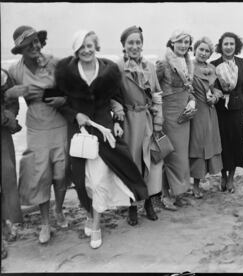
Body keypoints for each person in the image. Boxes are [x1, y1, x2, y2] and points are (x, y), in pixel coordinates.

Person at [55, 30, 149, 249]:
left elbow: (117, 98)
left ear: (95, 46)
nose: (86, 50)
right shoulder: (65, 72)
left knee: (98, 181)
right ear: (76, 51)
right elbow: (58, 101)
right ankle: (89, 213)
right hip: (79, 133)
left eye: (90, 46)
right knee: (81, 182)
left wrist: (117, 122)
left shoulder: (109, 70)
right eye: (81, 47)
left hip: (104, 130)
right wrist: (74, 114)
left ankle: (96, 225)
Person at [5, 25, 69, 244]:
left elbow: (74, 88)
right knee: (40, 175)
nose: (35, 46)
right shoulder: (14, 70)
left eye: (36, 41)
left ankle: (59, 208)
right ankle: (45, 223)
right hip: (35, 125)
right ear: (20, 50)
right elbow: (7, 100)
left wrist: (64, 100)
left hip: (58, 121)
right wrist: (10, 99)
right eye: (28, 44)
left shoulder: (55, 62)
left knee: (60, 173)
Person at [114, 26, 163, 224]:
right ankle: (132, 206)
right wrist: (118, 113)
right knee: (133, 162)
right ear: (124, 46)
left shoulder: (150, 67)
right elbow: (112, 96)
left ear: (142, 45)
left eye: (138, 42)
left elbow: (158, 95)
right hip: (129, 120)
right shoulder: (117, 67)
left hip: (148, 119)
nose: (134, 46)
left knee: (150, 160)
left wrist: (158, 119)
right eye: (130, 43)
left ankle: (149, 202)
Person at [156, 30, 197, 209]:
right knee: (168, 154)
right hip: (168, 114)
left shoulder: (189, 62)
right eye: (179, 41)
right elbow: (154, 90)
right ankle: (165, 195)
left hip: (184, 114)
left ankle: (178, 193)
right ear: (172, 43)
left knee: (181, 156)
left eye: (186, 42)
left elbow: (190, 89)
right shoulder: (163, 63)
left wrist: (192, 101)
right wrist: (157, 114)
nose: (183, 45)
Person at [211, 32, 243, 193]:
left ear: (236, 46)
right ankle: (222, 175)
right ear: (221, 46)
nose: (228, 47)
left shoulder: (242, 63)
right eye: (225, 44)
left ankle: (231, 178)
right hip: (220, 110)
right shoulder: (213, 64)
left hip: (238, 109)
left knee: (236, 143)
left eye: (231, 44)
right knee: (222, 144)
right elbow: (211, 87)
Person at [189, 37, 223, 198]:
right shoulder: (188, 66)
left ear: (210, 53)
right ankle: (193, 185)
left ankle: (199, 183)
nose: (203, 53)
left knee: (207, 147)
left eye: (207, 51)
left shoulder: (211, 68)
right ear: (195, 49)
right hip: (195, 113)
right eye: (201, 49)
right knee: (196, 147)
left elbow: (217, 90)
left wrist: (215, 97)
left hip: (210, 112)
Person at [1, 68, 24, 259]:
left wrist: (6, 117)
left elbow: (13, 103)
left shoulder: (2, 75)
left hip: (1, 132)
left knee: (7, 176)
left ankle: (8, 221)